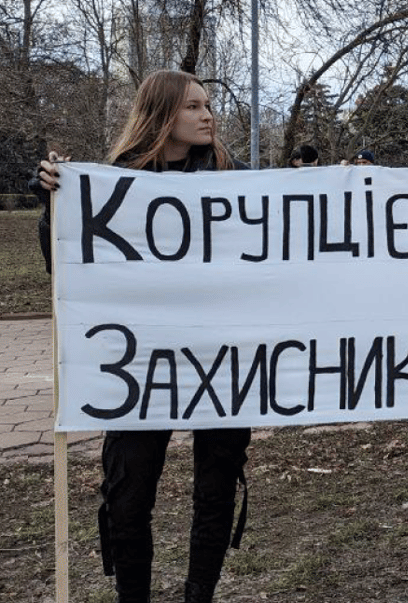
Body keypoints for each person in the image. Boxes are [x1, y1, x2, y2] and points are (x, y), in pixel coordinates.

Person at [30, 69, 251, 603]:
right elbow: (67, 266)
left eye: (208, 105)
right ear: (162, 116)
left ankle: (200, 594)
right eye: (194, 107)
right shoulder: (111, 183)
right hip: (139, 364)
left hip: (219, 357)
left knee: (216, 489)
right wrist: (54, 205)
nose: (208, 115)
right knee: (127, 495)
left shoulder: (233, 177)